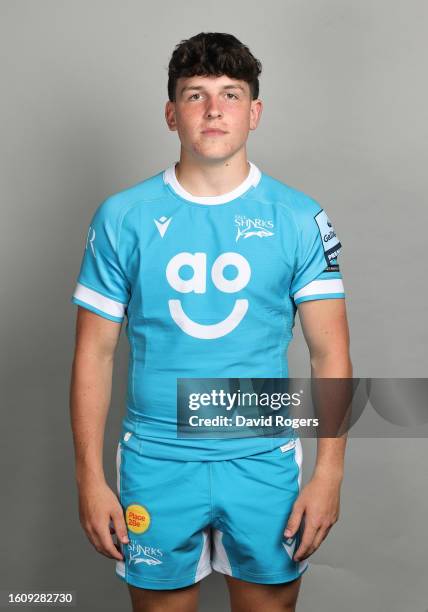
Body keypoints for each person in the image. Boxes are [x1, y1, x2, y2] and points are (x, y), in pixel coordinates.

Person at [70, 31, 352, 612]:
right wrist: (90, 478)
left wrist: (329, 475)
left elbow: (331, 355)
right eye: (196, 95)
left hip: (262, 459)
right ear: (172, 114)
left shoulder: (299, 217)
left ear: (255, 112)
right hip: (155, 457)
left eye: (230, 93)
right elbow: (93, 354)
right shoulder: (124, 216)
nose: (215, 109)